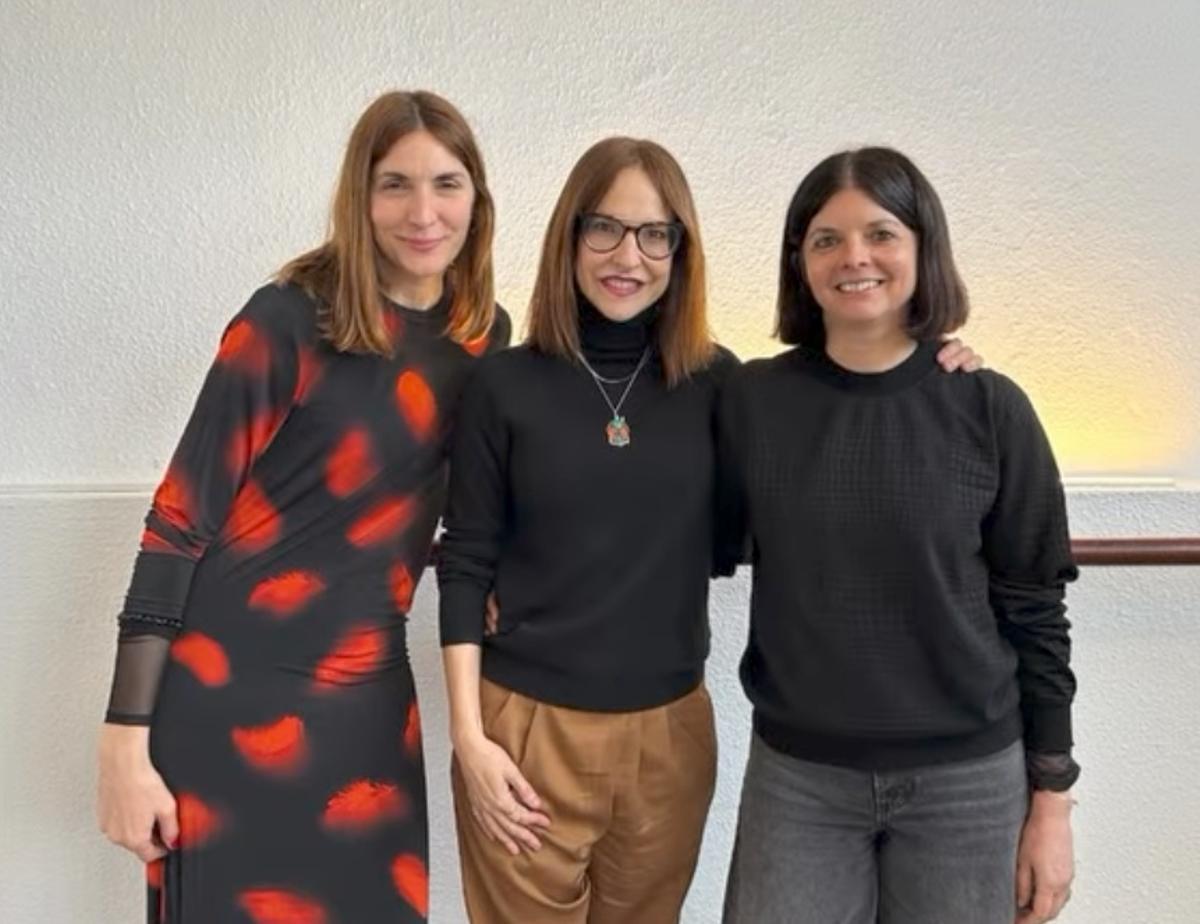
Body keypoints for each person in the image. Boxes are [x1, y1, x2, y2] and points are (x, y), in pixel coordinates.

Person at [436, 137, 981, 924]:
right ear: (569, 236)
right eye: (605, 229)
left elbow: (798, 461)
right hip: (523, 728)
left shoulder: (721, 383)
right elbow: (466, 558)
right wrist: (469, 740)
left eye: (656, 234)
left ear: (681, 251)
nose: (630, 255)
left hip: (670, 732)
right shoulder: (504, 383)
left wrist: (929, 361)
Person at [96, 89, 510, 923]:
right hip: (227, 700)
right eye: (394, 184)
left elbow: (433, 509)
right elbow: (177, 525)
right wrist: (122, 744)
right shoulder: (287, 317)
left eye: (446, 183)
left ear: (479, 198)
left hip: (367, 704)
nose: (422, 212)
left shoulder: (483, 336)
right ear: (359, 197)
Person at [717, 147, 1077, 924]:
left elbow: (1036, 609)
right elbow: (672, 525)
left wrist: (1053, 803)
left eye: (881, 233)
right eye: (826, 239)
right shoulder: (751, 401)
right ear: (800, 262)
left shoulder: (989, 407)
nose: (855, 258)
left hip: (968, 781)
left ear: (922, 248)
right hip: (800, 778)